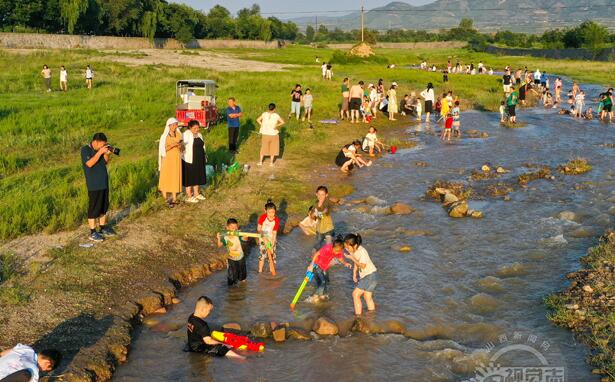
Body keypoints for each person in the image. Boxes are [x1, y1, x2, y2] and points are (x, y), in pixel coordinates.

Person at [81, 132, 116, 242]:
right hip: (94, 184)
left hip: (103, 182)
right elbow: (89, 163)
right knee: (94, 208)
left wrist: (106, 153)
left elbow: (105, 162)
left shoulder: (100, 150)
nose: (102, 146)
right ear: (96, 142)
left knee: (103, 207)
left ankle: (102, 228)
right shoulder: (85, 149)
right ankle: (92, 232)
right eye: (102, 144)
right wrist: (100, 152)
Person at [306, 236, 352, 303]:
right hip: (317, 266)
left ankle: (322, 295)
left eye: (339, 251)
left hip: (324, 267)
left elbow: (340, 258)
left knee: (326, 281)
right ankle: (315, 296)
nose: (336, 253)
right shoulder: (327, 248)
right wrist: (311, 265)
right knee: (323, 282)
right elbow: (316, 254)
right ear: (333, 247)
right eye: (336, 251)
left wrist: (345, 263)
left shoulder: (339, 251)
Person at [343, 233, 377, 316]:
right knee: (367, 297)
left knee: (355, 294)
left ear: (355, 245)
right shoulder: (353, 251)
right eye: (345, 247)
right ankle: (372, 315)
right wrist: (354, 273)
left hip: (369, 276)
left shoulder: (362, 251)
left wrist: (351, 258)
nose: (347, 249)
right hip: (373, 276)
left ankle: (358, 316)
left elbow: (363, 265)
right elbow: (356, 263)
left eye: (348, 247)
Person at [158, 117, 183, 208]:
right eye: (173, 125)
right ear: (169, 126)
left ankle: (174, 197)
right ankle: (165, 197)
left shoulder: (179, 134)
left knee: (175, 176)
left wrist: (180, 146)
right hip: (168, 158)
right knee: (166, 176)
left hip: (176, 158)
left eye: (176, 124)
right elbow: (163, 149)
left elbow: (182, 147)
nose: (175, 126)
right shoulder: (164, 136)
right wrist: (173, 145)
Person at [217, 218, 248, 286]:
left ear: (237, 227)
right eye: (232, 228)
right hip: (231, 258)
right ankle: (232, 286)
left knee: (242, 273)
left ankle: (243, 284)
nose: (234, 229)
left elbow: (244, 239)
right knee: (232, 274)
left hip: (240, 257)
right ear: (227, 227)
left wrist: (246, 237)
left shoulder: (238, 234)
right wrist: (218, 238)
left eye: (235, 227)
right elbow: (219, 245)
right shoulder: (225, 237)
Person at [182, 120, 207, 203]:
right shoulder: (186, 134)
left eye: (198, 128)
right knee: (189, 177)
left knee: (197, 175)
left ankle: (196, 193)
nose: (197, 129)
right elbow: (182, 145)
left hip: (199, 159)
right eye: (195, 128)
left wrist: (205, 155)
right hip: (189, 159)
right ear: (190, 128)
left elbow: (203, 146)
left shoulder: (199, 135)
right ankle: (189, 196)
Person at [257, 199, 279, 275]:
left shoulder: (276, 220)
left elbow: (274, 232)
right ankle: (260, 271)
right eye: (269, 212)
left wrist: (272, 243)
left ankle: (271, 270)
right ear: (265, 211)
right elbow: (259, 229)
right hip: (263, 239)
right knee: (263, 255)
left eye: (273, 212)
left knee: (272, 256)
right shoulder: (263, 217)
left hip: (271, 239)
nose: (271, 214)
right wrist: (264, 238)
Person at [313, 186, 335, 251]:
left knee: (328, 246)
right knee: (317, 246)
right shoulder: (316, 203)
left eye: (323, 194)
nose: (320, 196)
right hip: (320, 229)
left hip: (328, 228)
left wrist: (319, 212)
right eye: (319, 194)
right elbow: (315, 216)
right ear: (316, 194)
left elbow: (326, 210)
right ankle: (313, 259)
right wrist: (313, 214)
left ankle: (332, 259)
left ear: (326, 195)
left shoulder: (328, 202)